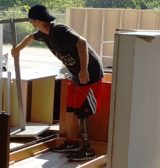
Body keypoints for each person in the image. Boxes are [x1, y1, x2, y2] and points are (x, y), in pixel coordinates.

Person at [11, 4, 104, 161]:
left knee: (82, 111)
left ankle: (88, 149)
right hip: (76, 73)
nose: (31, 23)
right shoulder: (44, 34)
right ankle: (71, 142)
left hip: (89, 73)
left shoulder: (59, 31)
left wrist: (83, 70)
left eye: (31, 20)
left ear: (38, 21)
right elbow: (29, 38)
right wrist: (17, 49)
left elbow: (82, 43)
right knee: (70, 109)